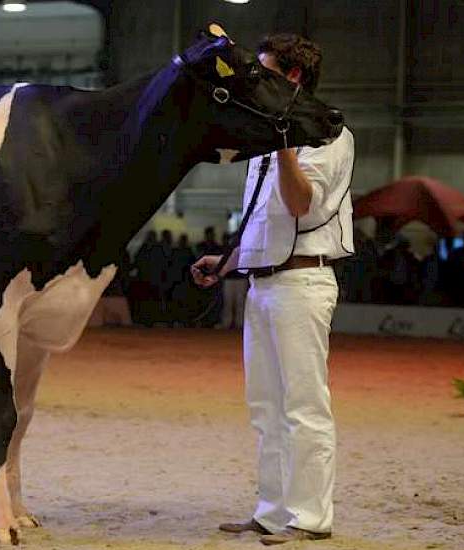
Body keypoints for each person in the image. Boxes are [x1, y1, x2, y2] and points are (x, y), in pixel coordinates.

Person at [192, 32, 354, 545]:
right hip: (264, 282)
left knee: (304, 406)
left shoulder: (329, 134)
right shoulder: (267, 135)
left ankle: (310, 519)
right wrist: (228, 260)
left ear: (293, 77)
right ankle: (271, 509)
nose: (255, 82)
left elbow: (301, 204)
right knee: (265, 406)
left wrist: (284, 144)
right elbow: (264, 220)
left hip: (304, 280)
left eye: (264, 73)